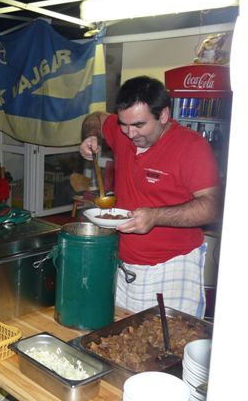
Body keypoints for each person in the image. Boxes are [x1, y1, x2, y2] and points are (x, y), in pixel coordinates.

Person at [79, 76, 221, 318]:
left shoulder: (191, 147)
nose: (130, 133)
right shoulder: (123, 130)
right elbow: (95, 118)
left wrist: (156, 217)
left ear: (163, 114)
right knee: (121, 334)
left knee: (168, 339)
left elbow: (213, 206)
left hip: (172, 266)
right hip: (123, 264)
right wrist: (91, 135)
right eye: (124, 124)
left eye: (139, 125)